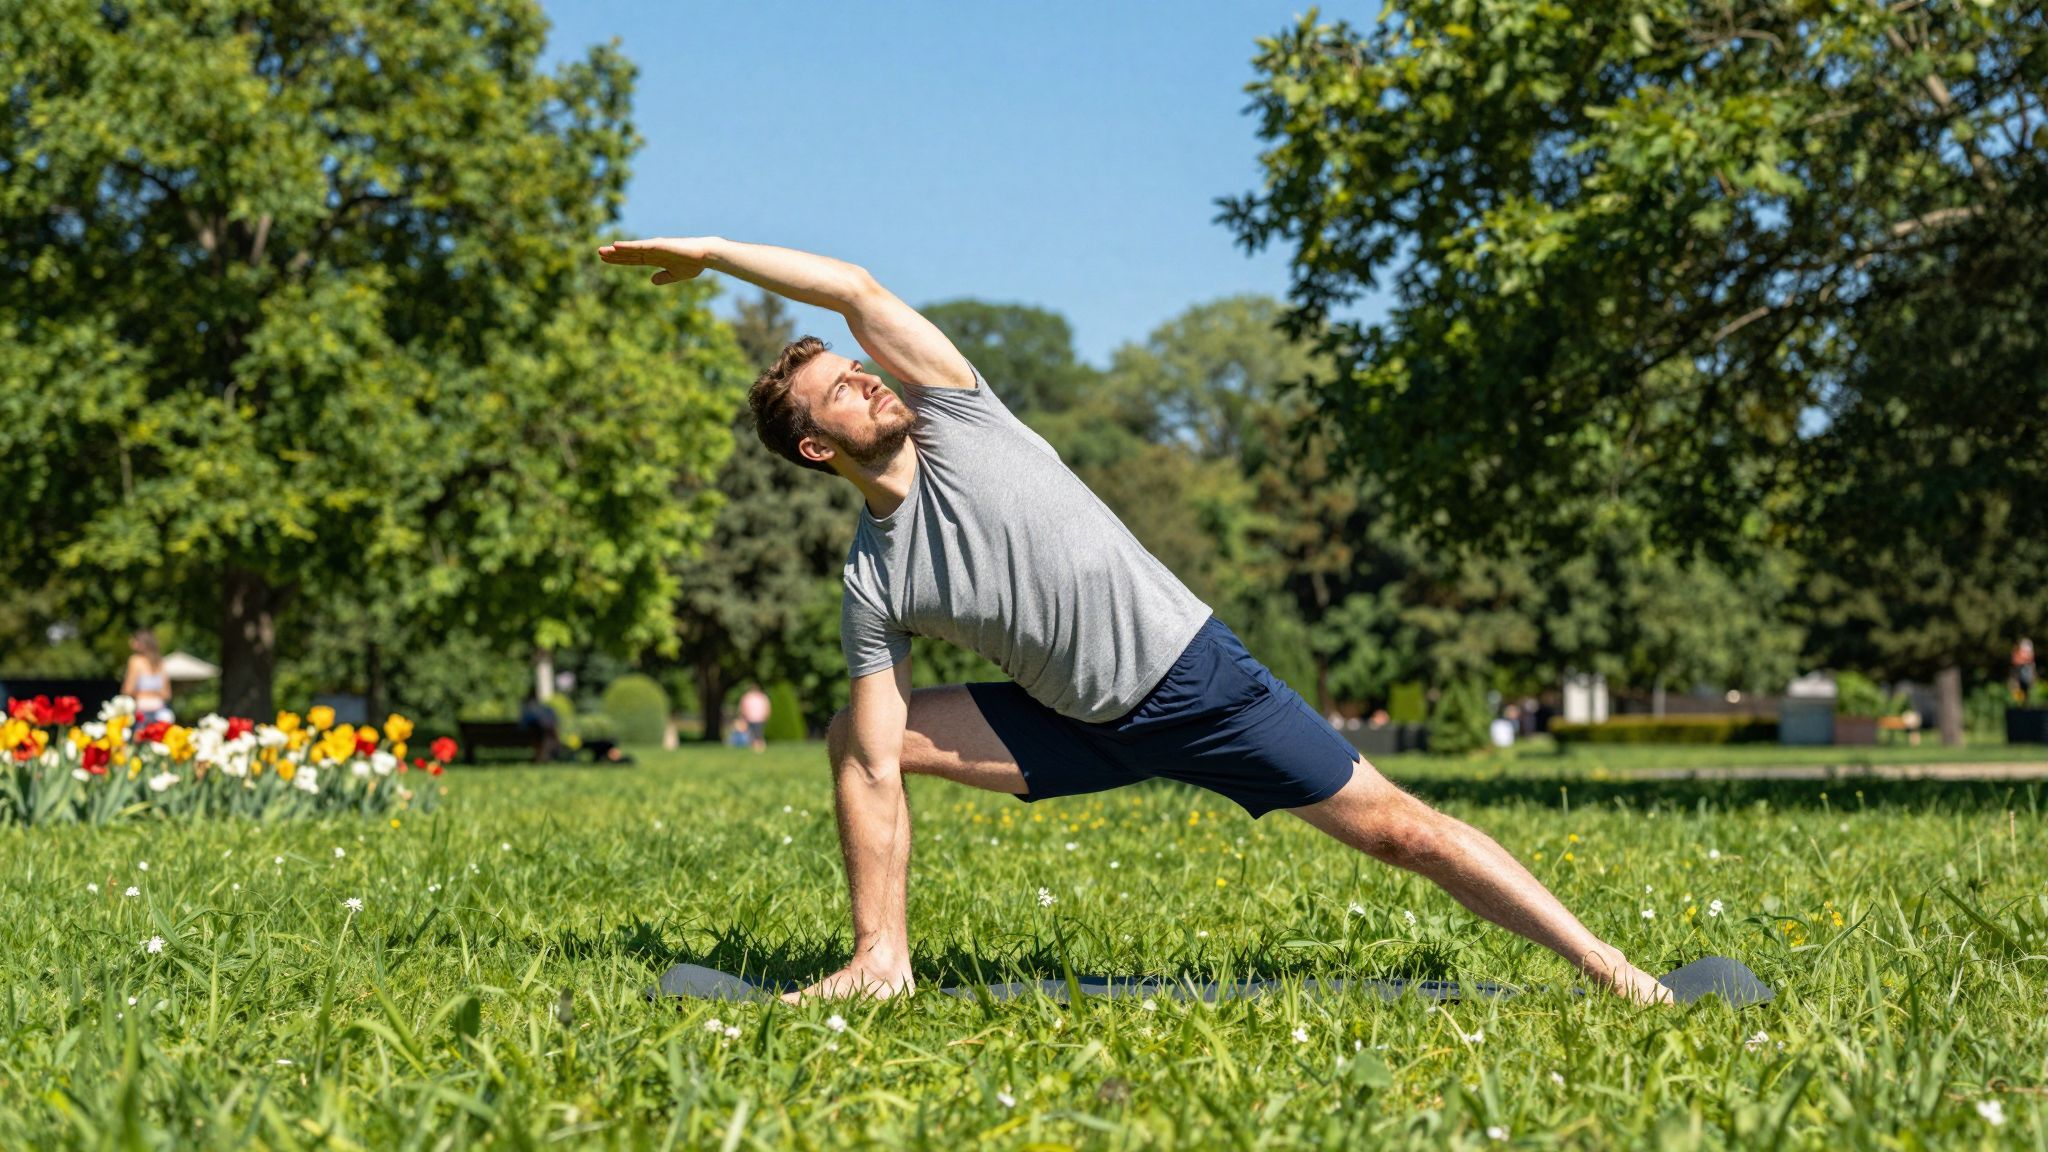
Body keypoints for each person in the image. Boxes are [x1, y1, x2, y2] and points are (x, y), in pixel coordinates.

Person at [598, 235, 1673, 1006]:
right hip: (1068, 724)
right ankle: (881, 965)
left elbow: (854, 286)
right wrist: (875, 859)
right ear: (818, 452)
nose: (869, 383)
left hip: (1196, 683)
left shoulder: (961, 416)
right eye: (841, 393)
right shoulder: (874, 578)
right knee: (852, 736)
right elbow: (878, 759)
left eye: (858, 371)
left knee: (1401, 831)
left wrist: (710, 252)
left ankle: (1617, 975)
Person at [121, 629, 174, 723]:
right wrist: (154, 693)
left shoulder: (135, 661)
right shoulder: (160, 663)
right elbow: (166, 694)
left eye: (135, 640)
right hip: (160, 711)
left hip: (141, 712)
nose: (131, 643)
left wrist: (142, 694)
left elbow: (127, 690)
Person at [517, 689, 561, 763]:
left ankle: (544, 755)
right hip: (536, 732)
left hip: (534, 733)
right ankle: (554, 749)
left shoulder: (525, 706)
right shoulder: (530, 707)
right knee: (545, 734)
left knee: (545, 733)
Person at [738, 684, 772, 751]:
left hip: (759, 717)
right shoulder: (749, 697)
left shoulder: (761, 697)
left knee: (758, 733)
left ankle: (759, 747)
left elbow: (767, 707)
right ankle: (756, 746)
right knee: (753, 733)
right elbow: (743, 707)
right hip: (751, 717)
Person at [2014, 638, 2037, 703]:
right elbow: (2016, 661)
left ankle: (2026, 703)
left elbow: (2031, 661)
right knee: (2020, 690)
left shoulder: (2030, 663)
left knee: (2027, 690)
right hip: (2021, 672)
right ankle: (2021, 703)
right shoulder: (2018, 653)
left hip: (2026, 672)